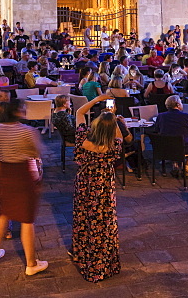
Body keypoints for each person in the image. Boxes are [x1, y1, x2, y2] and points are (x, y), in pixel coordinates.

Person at [0, 99, 47, 276]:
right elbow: (37, 152)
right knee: (26, 219)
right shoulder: (28, 131)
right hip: (22, 175)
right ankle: (31, 263)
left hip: (3, 175)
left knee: (2, 214)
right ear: (17, 112)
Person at [71, 94, 123, 282]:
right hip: (104, 189)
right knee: (103, 223)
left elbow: (78, 112)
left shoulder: (82, 139)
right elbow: (119, 137)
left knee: (84, 220)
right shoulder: (113, 146)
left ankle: (83, 255)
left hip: (85, 185)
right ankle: (103, 261)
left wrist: (96, 100)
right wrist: (113, 117)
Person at [150, 94, 188, 174]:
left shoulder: (160, 116)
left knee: (172, 139)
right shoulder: (186, 117)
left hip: (164, 149)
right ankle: (187, 167)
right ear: (178, 105)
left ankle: (175, 164)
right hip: (182, 149)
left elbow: (157, 131)